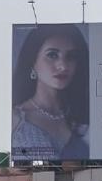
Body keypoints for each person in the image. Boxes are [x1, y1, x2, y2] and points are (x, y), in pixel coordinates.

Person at [11, 24, 90, 162]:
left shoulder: (83, 117)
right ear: (33, 61)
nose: (63, 66)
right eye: (52, 55)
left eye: (71, 56)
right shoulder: (17, 119)